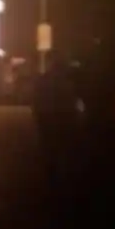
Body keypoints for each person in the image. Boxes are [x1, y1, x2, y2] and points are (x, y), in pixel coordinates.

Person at [32, 51, 80, 182]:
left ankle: (53, 173)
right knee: (61, 147)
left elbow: (37, 99)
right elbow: (71, 100)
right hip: (59, 117)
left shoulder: (44, 79)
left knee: (51, 147)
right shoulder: (67, 81)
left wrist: (39, 114)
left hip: (49, 117)